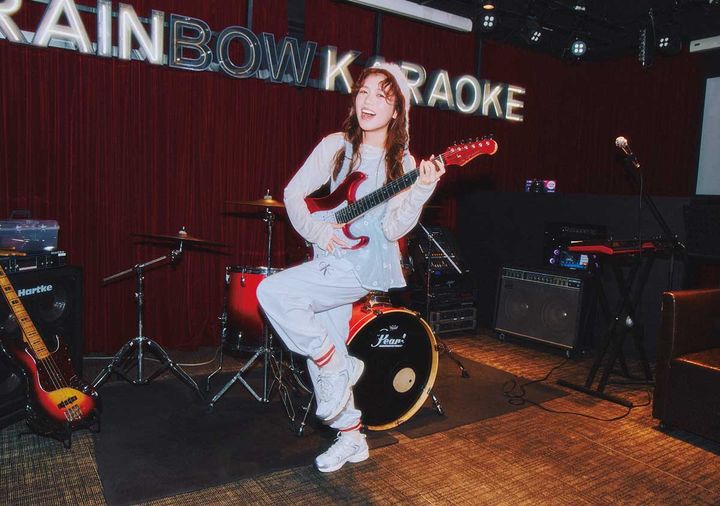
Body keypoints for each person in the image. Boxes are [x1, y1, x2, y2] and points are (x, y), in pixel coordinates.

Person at [256, 62, 445, 473]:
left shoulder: (403, 163)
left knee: (272, 292)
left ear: (397, 110)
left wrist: (422, 189)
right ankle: (352, 437)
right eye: (363, 91)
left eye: (382, 95)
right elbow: (293, 193)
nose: (369, 101)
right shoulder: (336, 146)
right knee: (324, 351)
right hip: (330, 255)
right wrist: (318, 232)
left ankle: (336, 362)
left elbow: (393, 227)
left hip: (364, 266)